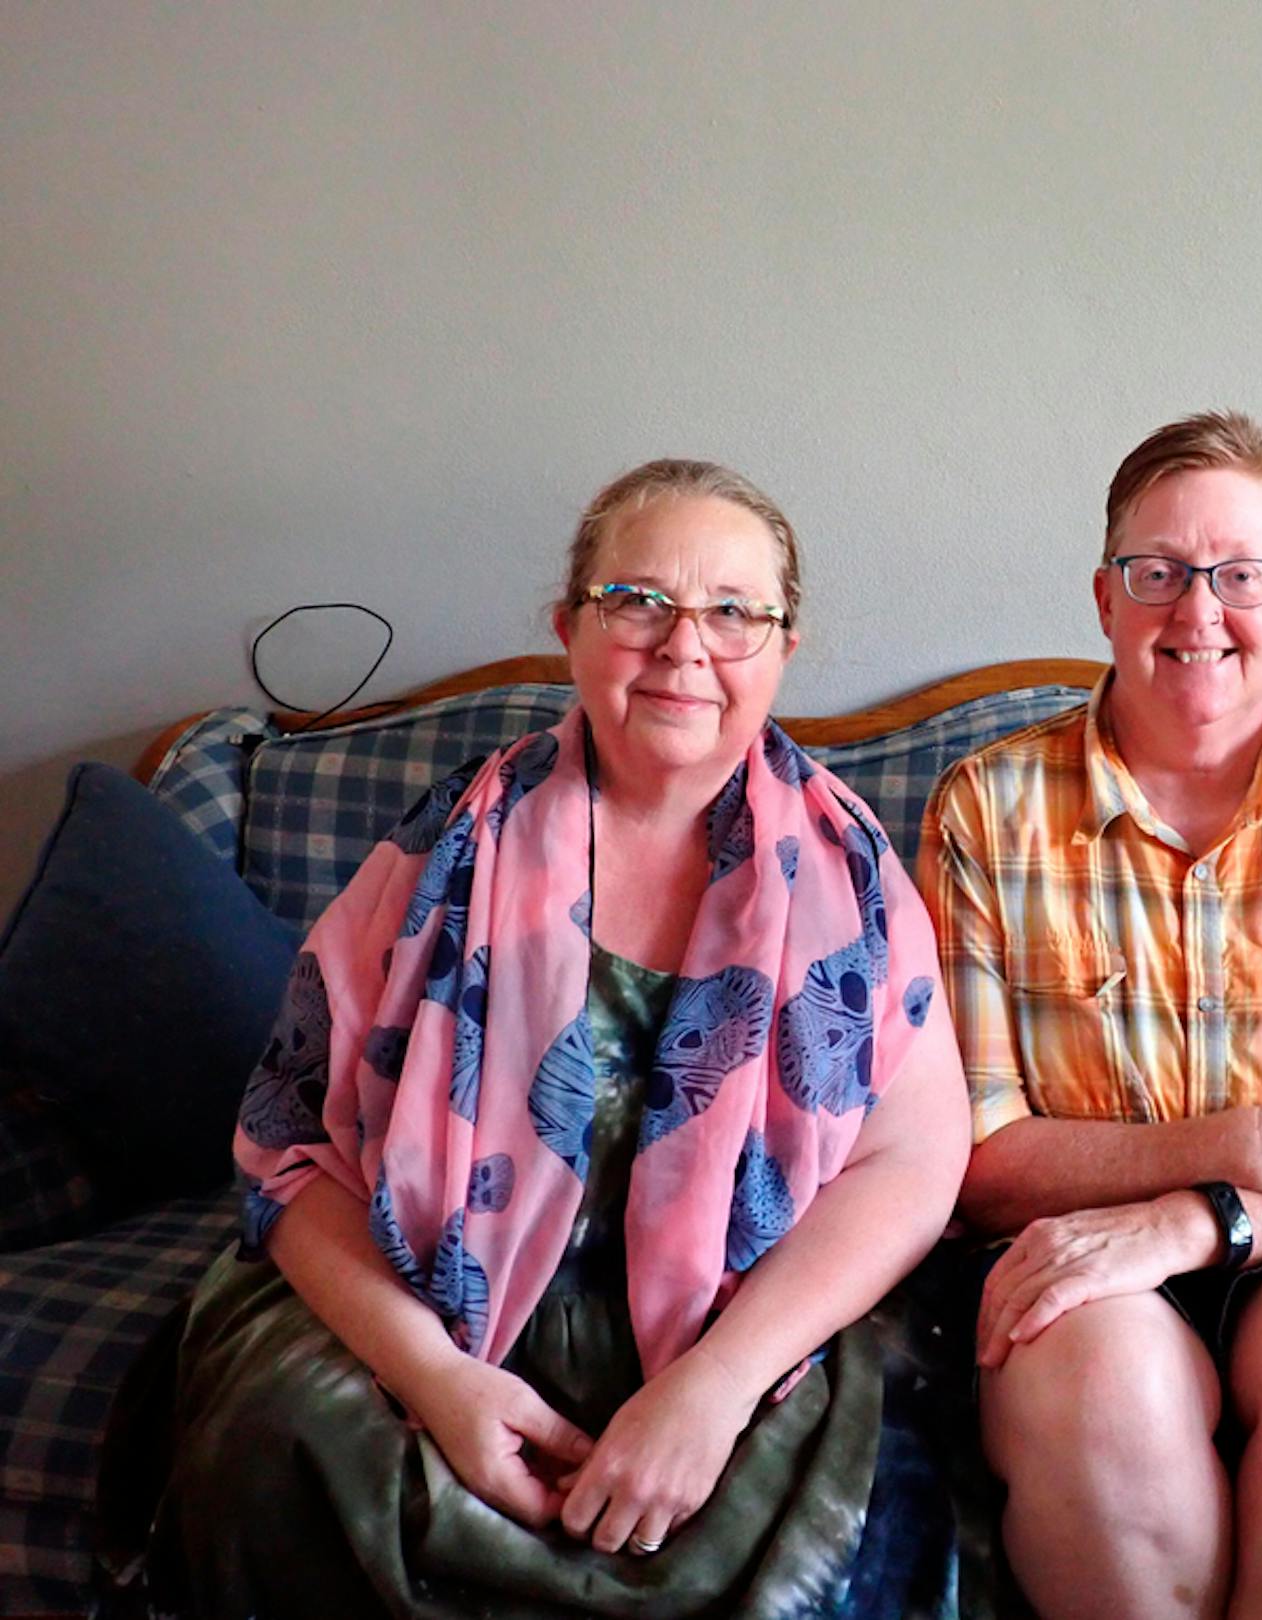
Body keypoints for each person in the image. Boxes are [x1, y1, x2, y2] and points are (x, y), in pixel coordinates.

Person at [148, 460, 973, 1617]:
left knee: (838, 1518)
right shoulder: (441, 851)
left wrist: (719, 1388)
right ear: (569, 628)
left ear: (784, 646)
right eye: (639, 600)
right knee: (279, 1438)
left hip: (742, 1334)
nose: (686, 647)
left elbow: (913, 1163)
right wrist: (434, 1379)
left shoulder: (855, 882)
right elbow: (289, 1151)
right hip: (434, 1305)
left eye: (734, 612)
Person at [919, 411, 1262, 1620]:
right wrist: (1251, 1139)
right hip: (1070, 1261)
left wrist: (1203, 1215)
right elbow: (976, 1162)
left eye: (1240, 575)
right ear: (1105, 596)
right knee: (1091, 1365)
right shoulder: (987, 809)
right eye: (1157, 573)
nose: (1197, 613)